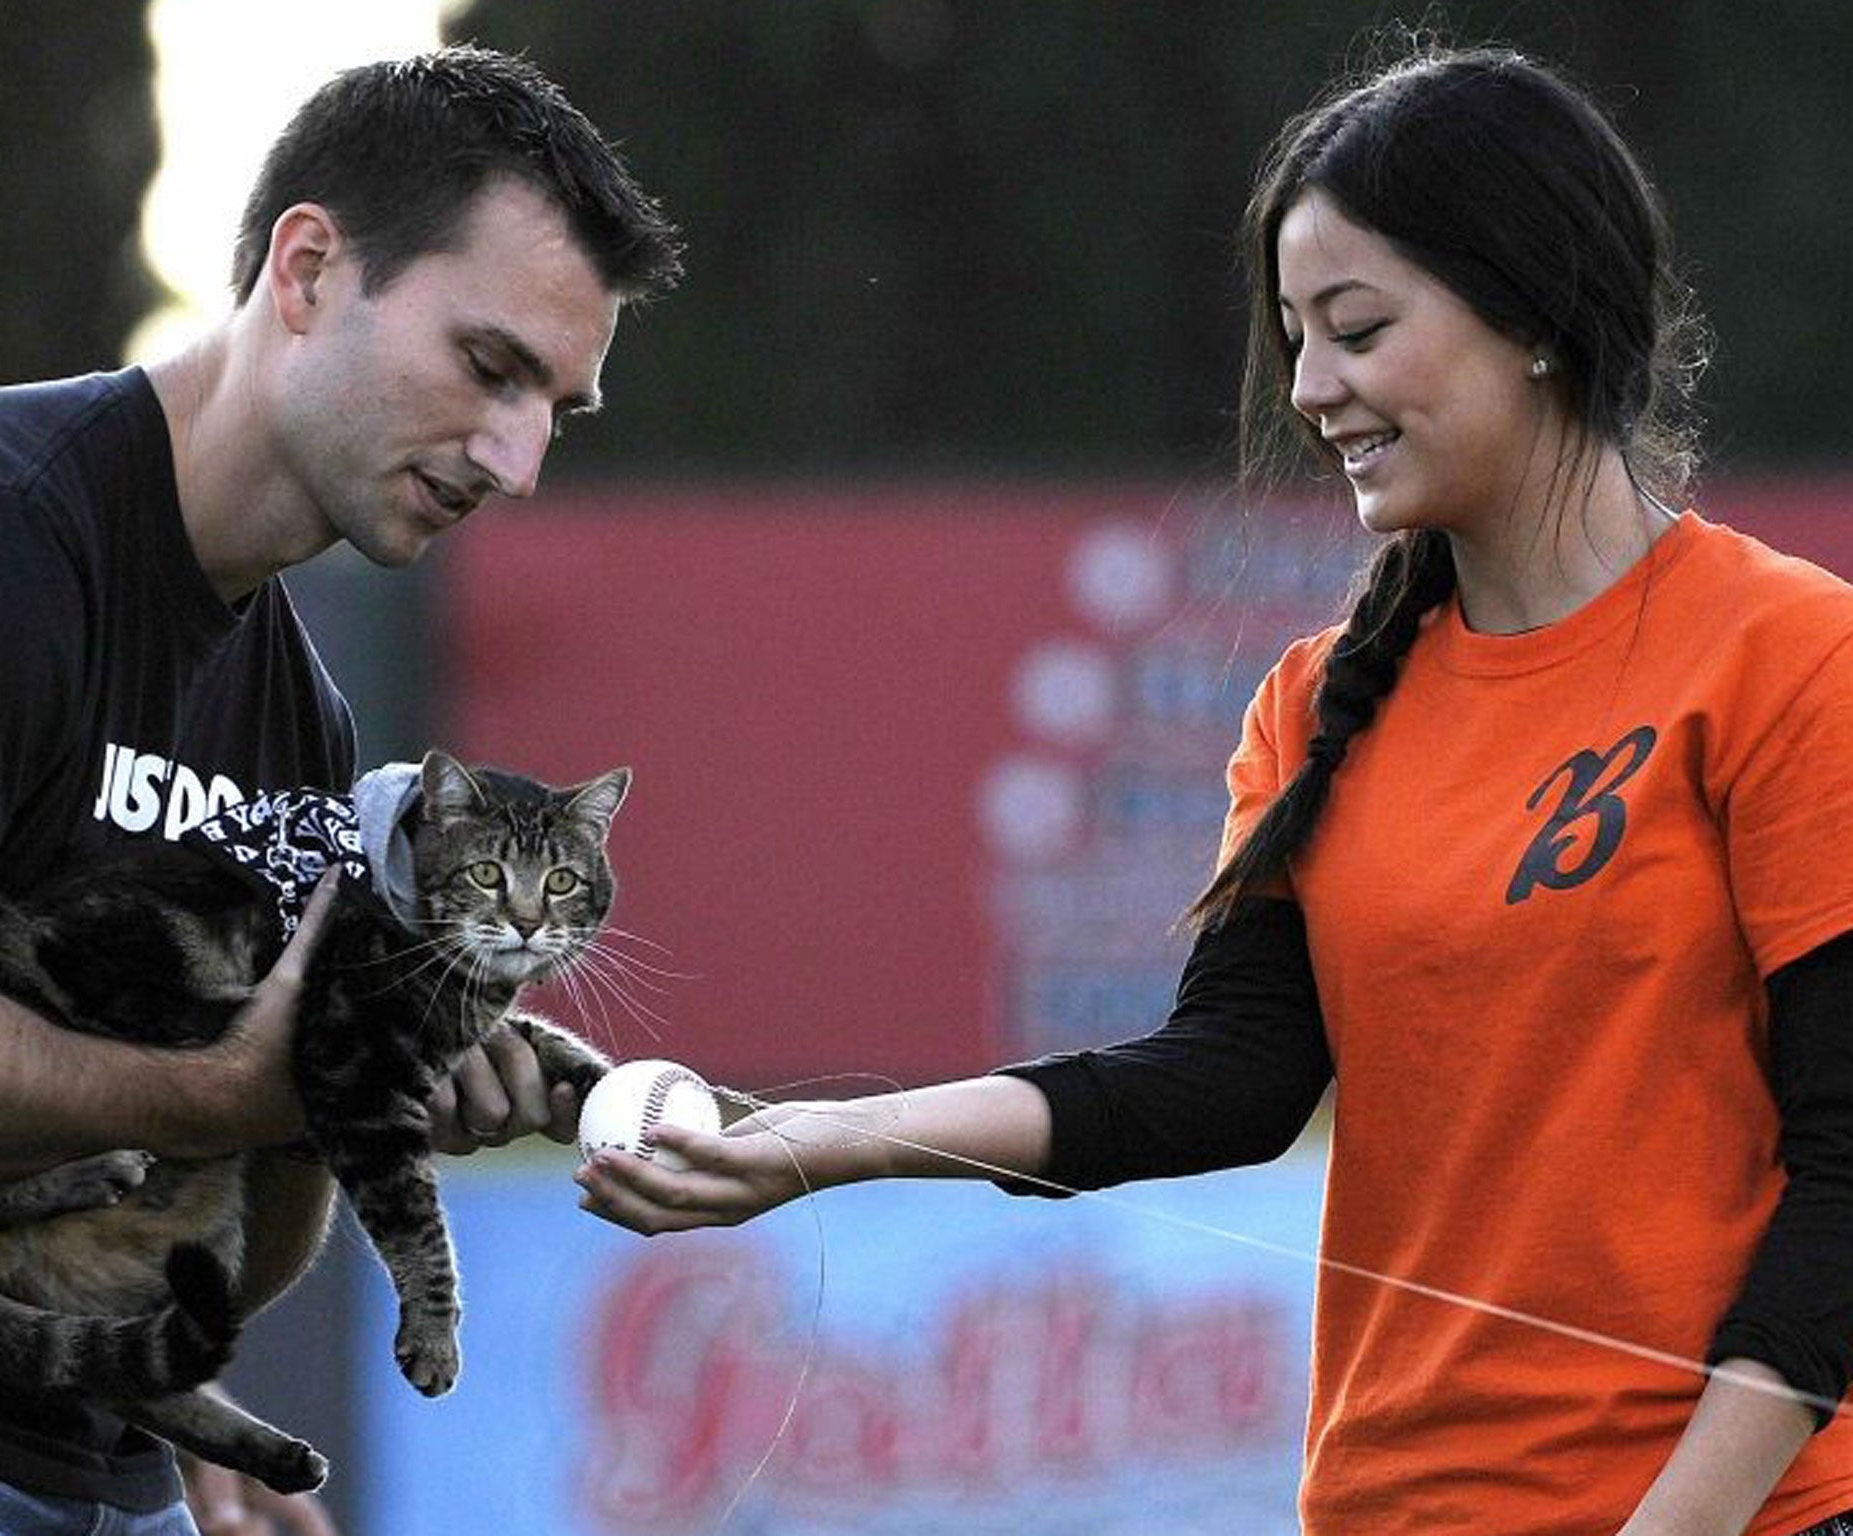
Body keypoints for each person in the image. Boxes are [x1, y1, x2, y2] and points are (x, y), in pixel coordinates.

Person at [578, 42, 1853, 1536]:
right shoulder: (1315, 703)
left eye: (1359, 328)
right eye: (1297, 337)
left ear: (1534, 314)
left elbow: (1844, 1178)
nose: (1314, 390)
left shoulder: (1789, 657)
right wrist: (812, 1146)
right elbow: (1227, 1083)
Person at [0, 43, 681, 1536]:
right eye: (490, 367)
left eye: (559, 410)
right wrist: (215, 1087)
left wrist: (370, 1076)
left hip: (107, 1462)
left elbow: (223, 1232)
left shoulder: (304, 718)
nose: (517, 458)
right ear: (309, 268)